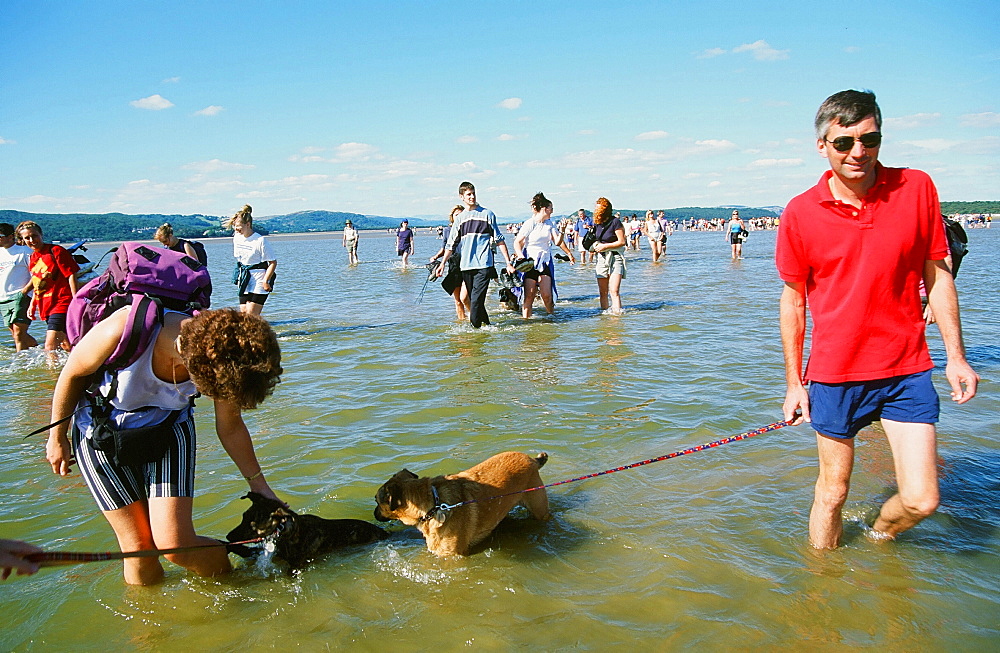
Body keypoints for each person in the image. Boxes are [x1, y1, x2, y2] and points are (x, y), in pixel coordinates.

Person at [777, 89, 979, 550]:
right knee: (833, 492)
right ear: (821, 145)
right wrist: (794, 382)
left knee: (923, 499)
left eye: (870, 140)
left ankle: (877, 536)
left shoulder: (917, 187)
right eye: (844, 143)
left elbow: (939, 274)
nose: (858, 153)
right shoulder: (800, 212)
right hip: (834, 373)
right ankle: (821, 590)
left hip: (906, 368)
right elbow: (793, 302)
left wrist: (957, 357)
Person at [45, 308, 284, 585]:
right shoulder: (123, 329)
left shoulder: (226, 357)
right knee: (139, 550)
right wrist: (57, 436)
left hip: (170, 429)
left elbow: (230, 427)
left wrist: (260, 486)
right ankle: (150, 627)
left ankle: (239, 595)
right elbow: (72, 374)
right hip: (99, 431)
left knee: (176, 545)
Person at [435, 181, 514, 329]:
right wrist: (442, 263)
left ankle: (474, 334)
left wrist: (508, 262)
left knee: (476, 301)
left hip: (484, 265)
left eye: (473, 193)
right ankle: (487, 327)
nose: (472, 197)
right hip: (466, 266)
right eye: (468, 194)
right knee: (475, 300)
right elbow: (450, 245)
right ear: (462, 197)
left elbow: (499, 240)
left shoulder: (487, 214)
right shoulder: (460, 219)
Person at [17, 221, 79, 358]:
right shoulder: (33, 257)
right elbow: (37, 282)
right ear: (22, 240)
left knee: (50, 347)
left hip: (62, 302)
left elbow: (71, 275)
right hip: (46, 305)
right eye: (27, 238)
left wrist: (76, 300)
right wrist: (33, 304)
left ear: (41, 235)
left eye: (35, 236)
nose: (32, 240)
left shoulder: (56, 251)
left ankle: (54, 378)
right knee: (66, 345)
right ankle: (82, 373)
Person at [513, 192, 576, 319]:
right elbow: (517, 242)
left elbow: (557, 241)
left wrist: (562, 232)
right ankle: (526, 321)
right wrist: (520, 257)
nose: (552, 211)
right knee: (529, 296)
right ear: (544, 209)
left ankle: (551, 320)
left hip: (544, 262)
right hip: (530, 263)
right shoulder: (530, 223)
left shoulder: (549, 223)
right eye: (551, 208)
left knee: (547, 295)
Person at [224, 205, 277, 317]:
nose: (236, 229)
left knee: (252, 314)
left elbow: (272, 262)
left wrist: (266, 281)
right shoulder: (237, 237)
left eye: (238, 226)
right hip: (244, 277)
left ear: (248, 224)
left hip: (259, 277)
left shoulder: (260, 240)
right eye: (234, 227)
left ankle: (260, 333)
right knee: (243, 313)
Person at [0, 223, 38, 351]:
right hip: (3, 298)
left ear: (11, 237)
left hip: (20, 296)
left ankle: (20, 362)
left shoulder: (25, 252)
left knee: (18, 333)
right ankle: (39, 350)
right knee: (16, 334)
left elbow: (36, 274)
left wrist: (25, 291)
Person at [429, 205, 470, 320]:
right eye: (456, 215)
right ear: (452, 217)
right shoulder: (447, 230)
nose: (458, 217)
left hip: (468, 264)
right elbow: (445, 248)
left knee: (465, 297)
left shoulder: (468, 229)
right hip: (454, 265)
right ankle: (462, 322)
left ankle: (475, 317)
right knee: (457, 300)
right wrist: (436, 257)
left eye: (461, 214)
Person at [590, 198, 627, 315]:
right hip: (601, 258)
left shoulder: (615, 222)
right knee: (603, 292)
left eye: (598, 207)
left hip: (615, 257)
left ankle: (617, 317)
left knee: (614, 290)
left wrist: (606, 247)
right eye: (595, 207)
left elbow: (622, 242)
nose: (596, 210)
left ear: (605, 209)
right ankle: (604, 316)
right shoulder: (597, 223)